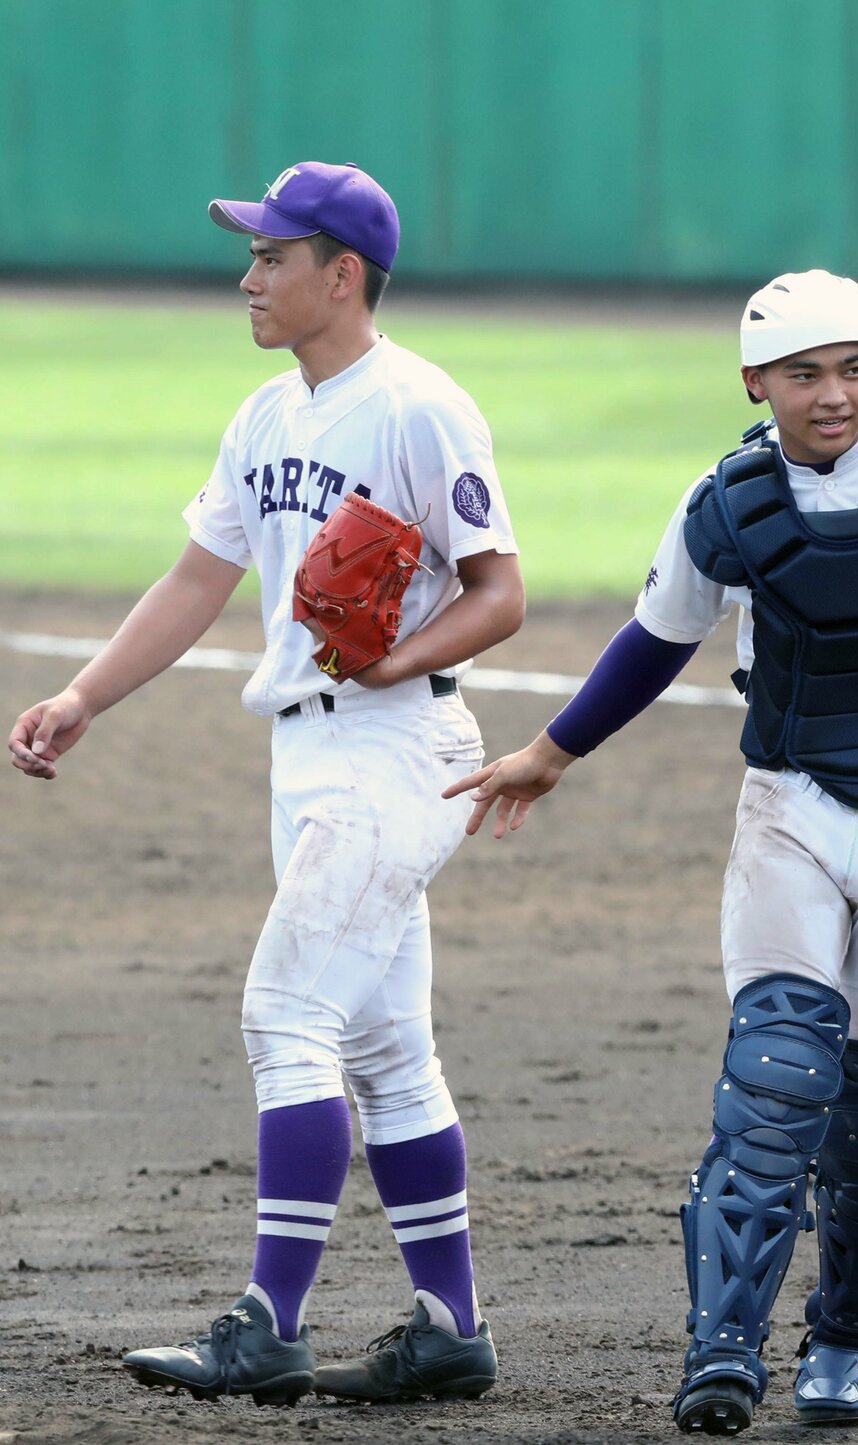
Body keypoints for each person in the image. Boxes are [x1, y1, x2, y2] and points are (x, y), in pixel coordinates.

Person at [445, 269, 858, 1434]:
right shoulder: (726, 503)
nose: (834, 394)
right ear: (757, 383)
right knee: (777, 1078)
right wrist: (553, 751)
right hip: (791, 807)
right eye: (804, 373)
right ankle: (722, 1351)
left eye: (853, 366)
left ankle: (843, 1342)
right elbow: (655, 640)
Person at [7, 161, 524, 1408]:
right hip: (308, 755)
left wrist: (396, 653)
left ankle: (268, 1323)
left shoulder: (418, 408)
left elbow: (498, 591)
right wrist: (83, 697)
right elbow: (198, 582)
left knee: (284, 1014)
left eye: (271, 256)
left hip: (397, 748)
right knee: (389, 1048)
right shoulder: (264, 417)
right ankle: (450, 1327)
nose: (249, 276)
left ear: (339, 274)